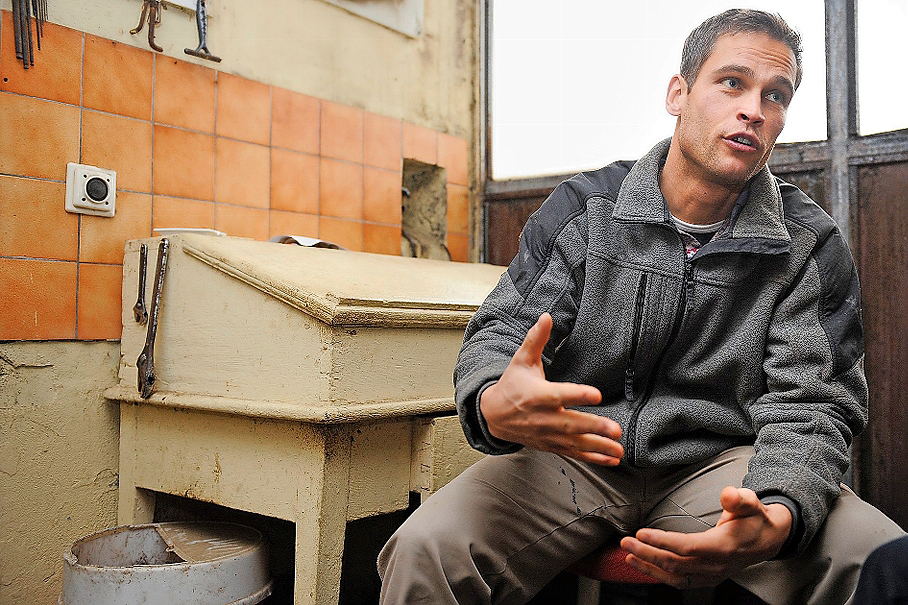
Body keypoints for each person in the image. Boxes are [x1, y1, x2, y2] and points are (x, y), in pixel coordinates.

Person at [377, 9, 905, 604]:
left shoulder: (808, 243)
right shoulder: (586, 209)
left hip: (725, 468)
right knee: (426, 546)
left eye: (775, 95)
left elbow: (815, 403)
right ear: (678, 94)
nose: (754, 110)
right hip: (578, 455)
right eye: (732, 82)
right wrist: (494, 400)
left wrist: (780, 512)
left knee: (876, 555)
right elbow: (503, 331)